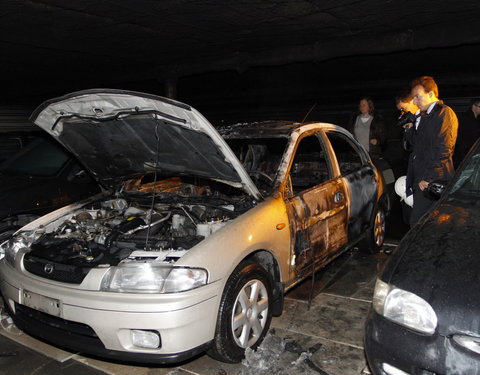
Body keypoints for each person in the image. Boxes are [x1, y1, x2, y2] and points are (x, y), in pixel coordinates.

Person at [406, 76, 458, 226]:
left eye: (417, 97)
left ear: (430, 94)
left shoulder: (444, 113)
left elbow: (444, 149)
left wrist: (429, 178)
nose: (414, 102)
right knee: (424, 224)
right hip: (420, 178)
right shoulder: (424, 116)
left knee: (420, 224)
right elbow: (415, 147)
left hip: (432, 180)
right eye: (413, 98)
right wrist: (410, 129)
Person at [453, 97, 480, 168]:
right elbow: (463, 140)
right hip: (466, 154)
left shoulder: (476, 119)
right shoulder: (465, 119)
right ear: (474, 106)